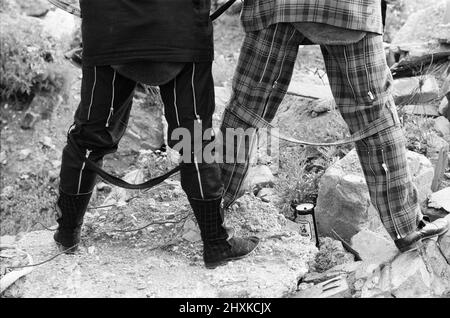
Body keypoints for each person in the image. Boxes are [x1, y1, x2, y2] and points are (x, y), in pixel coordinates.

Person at [219, 0, 448, 253]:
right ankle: (406, 227)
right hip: (346, 8)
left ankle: (212, 205)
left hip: (276, 6)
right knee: (375, 114)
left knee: (247, 106)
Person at [53, 0, 259, 269]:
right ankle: (216, 243)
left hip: (111, 29)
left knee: (89, 137)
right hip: (180, 29)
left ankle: (67, 234)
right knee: (195, 140)